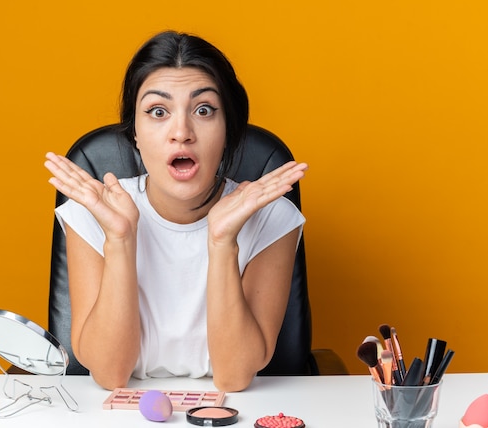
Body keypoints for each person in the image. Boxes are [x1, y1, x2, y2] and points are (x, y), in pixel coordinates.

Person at [44, 31, 308, 392]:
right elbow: (110, 375)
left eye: (203, 110)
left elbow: (233, 377)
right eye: (157, 112)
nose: (181, 132)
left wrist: (221, 241)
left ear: (228, 129)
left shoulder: (271, 215)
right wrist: (120, 239)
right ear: (134, 133)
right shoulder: (96, 212)